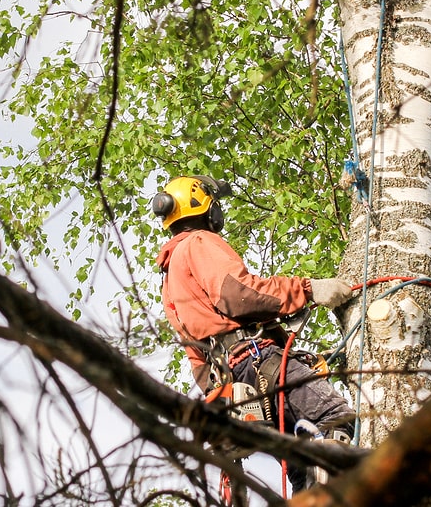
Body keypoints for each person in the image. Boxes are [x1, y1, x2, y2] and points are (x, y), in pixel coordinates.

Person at [152, 175, 356, 490]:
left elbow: (198, 359)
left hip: (237, 383)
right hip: (257, 364)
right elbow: (238, 294)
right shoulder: (199, 243)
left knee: (301, 463)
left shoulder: (170, 279)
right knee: (336, 420)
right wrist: (309, 289)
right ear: (203, 206)